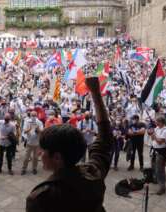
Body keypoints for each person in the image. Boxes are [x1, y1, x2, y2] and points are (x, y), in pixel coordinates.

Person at [26, 77, 114, 212]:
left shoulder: (42, 198)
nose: (39, 154)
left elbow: (105, 138)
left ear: (57, 157)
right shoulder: (93, 173)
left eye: (43, 151)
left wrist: (95, 93)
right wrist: (96, 93)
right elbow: (105, 139)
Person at [149, 116, 166, 195]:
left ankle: (162, 187)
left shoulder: (165, 131)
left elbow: (160, 142)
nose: (156, 123)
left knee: (160, 170)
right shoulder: (157, 128)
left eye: (157, 121)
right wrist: (152, 133)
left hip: (161, 152)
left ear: (161, 122)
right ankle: (156, 180)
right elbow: (152, 139)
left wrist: (154, 135)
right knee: (154, 167)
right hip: (154, 150)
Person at [21, 111, 43, 175]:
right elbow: (24, 131)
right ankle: (24, 169)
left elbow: (42, 131)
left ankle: (34, 168)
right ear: (30, 116)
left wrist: (38, 129)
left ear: (36, 116)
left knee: (35, 157)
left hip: (37, 143)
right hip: (29, 143)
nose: (33, 117)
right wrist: (29, 129)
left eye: (34, 115)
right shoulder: (27, 121)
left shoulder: (39, 122)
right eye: (32, 115)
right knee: (26, 158)